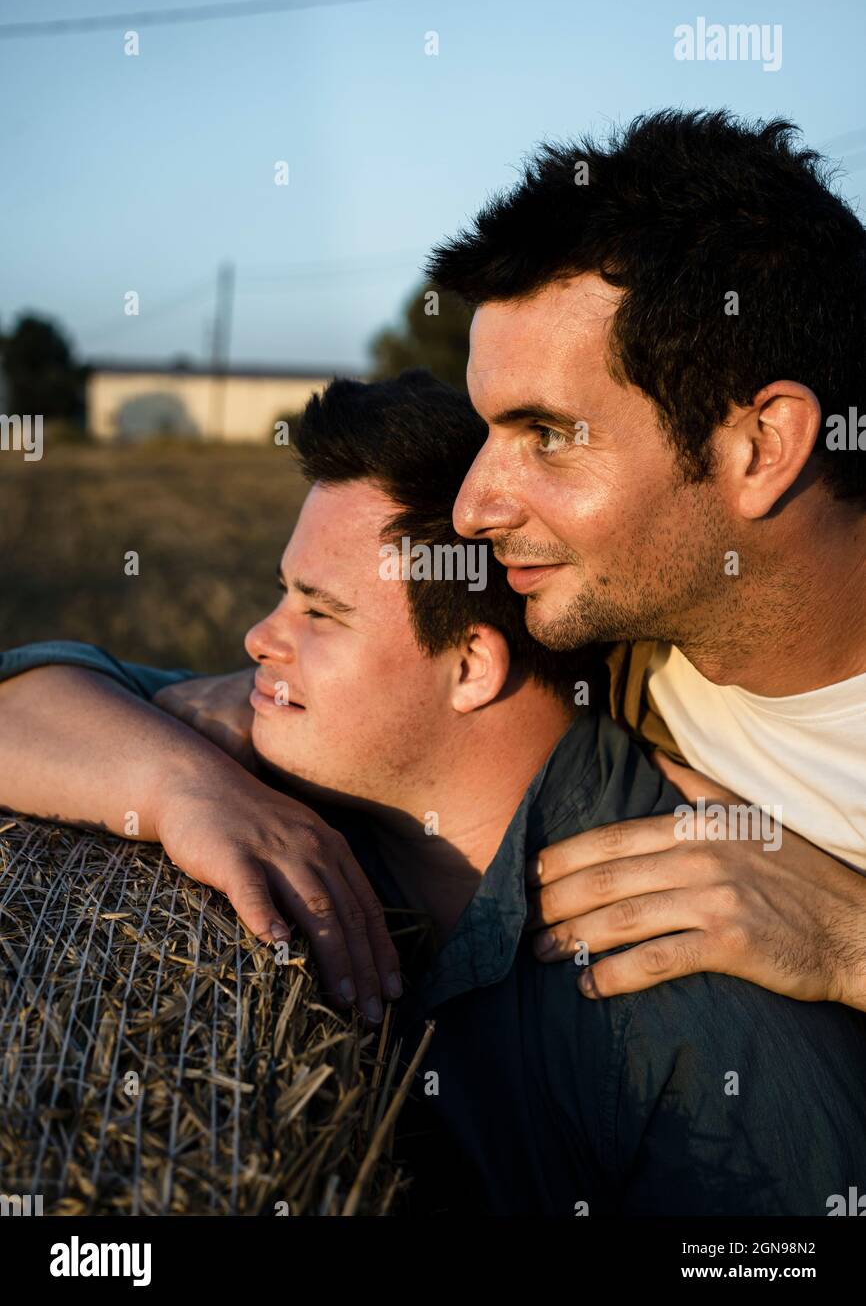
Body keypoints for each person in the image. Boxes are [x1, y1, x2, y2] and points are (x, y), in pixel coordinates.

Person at [2, 371, 866, 1216]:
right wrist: (179, 784)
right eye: (281, 595)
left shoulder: (692, 1006)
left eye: (319, 612)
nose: (260, 638)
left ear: (470, 668)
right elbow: (24, 699)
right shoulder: (306, 762)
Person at [425, 108, 866, 1011]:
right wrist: (175, 780)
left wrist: (847, 940)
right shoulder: (591, 637)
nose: (472, 510)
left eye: (546, 435)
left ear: (761, 446)